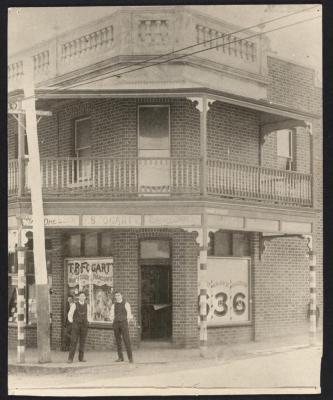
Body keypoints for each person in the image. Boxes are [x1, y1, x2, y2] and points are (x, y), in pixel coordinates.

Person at [110, 292, 133, 363]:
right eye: (116, 295)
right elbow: (111, 315)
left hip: (124, 323)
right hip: (116, 324)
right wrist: (113, 322)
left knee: (127, 340)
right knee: (118, 341)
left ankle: (130, 358)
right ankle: (120, 357)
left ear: (122, 296)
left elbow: (129, 315)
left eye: (118, 295)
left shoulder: (126, 304)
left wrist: (126, 323)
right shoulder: (113, 305)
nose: (117, 297)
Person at [67, 291, 89, 363]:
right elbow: (70, 314)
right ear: (78, 297)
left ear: (85, 297)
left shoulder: (87, 305)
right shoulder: (74, 305)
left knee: (82, 341)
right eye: (81, 296)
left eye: (83, 296)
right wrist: (72, 322)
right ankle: (70, 358)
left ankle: (81, 358)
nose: (82, 297)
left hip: (84, 325)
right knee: (73, 341)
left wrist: (88, 321)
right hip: (76, 325)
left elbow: (89, 315)